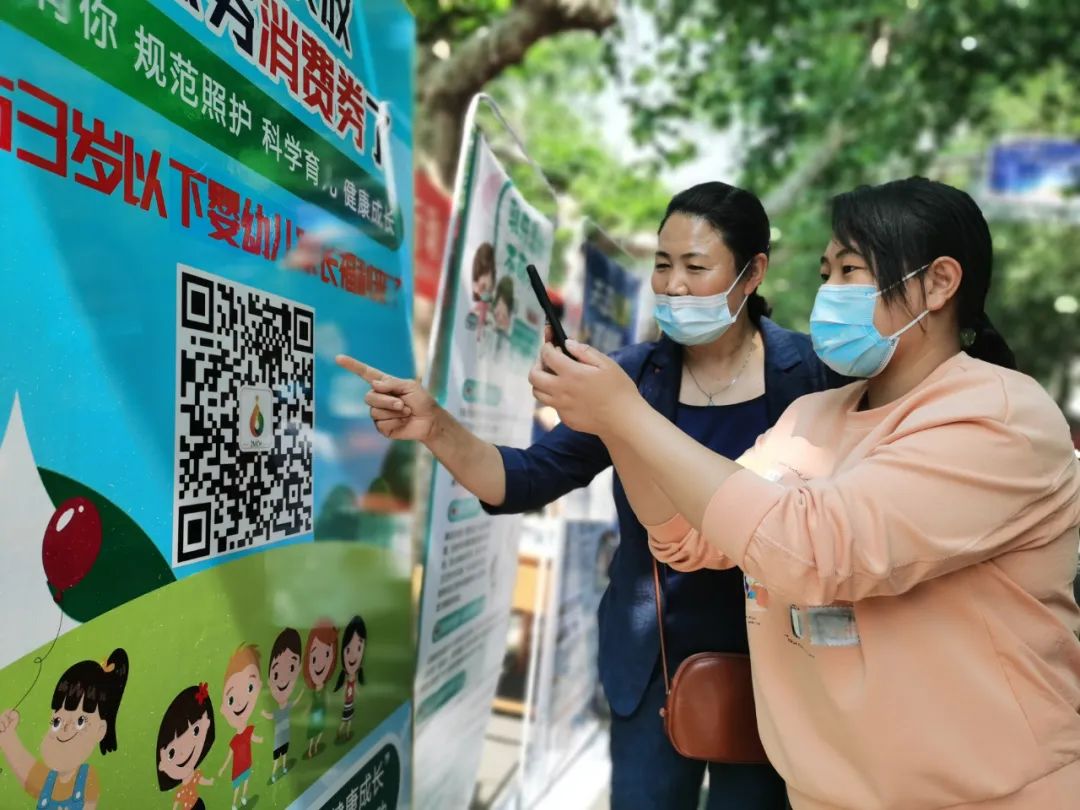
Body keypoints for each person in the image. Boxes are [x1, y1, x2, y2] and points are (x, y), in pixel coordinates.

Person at [530, 177, 1080, 809]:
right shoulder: (814, 416)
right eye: (826, 273)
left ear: (939, 283)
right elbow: (685, 537)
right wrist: (616, 424)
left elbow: (816, 551)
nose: (828, 293)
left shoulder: (1000, 416)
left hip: (991, 795)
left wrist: (628, 414)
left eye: (850, 270)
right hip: (826, 793)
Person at [337, 182, 843, 808]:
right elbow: (523, 478)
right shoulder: (626, 378)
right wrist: (435, 426)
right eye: (663, 264)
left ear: (753, 271)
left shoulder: (815, 376)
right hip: (651, 667)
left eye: (695, 267)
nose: (673, 286)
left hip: (781, 666)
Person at [0, 648, 129, 810]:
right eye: (57, 722)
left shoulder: (86, 778)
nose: (64, 730)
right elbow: (28, 773)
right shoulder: (49, 780)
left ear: (100, 730)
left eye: (80, 721)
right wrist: (7, 736)